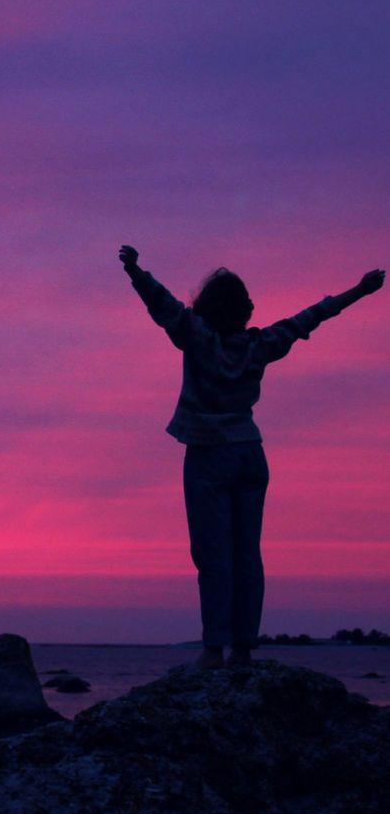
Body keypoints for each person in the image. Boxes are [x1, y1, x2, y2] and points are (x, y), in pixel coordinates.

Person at [119, 245, 383, 669]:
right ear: (244, 311)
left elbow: (162, 303)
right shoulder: (260, 345)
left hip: (209, 454)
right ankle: (243, 648)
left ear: (204, 307)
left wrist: (134, 270)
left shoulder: (197, 337)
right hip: (249, 453)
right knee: (247, 553)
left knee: (212, 554)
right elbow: (310, 317)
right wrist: (360, 290)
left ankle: (212, 650)